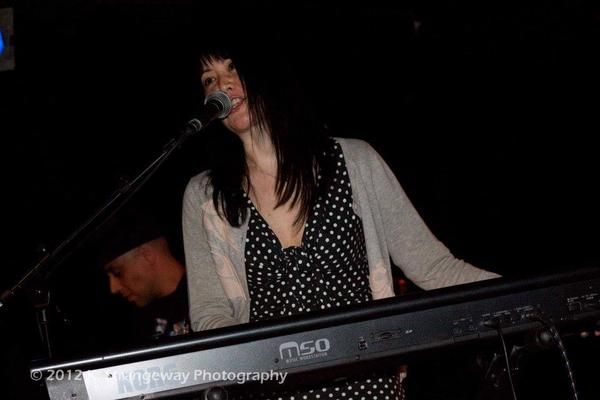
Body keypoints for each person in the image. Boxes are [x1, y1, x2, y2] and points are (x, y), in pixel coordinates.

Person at [181, 38, 500, 399]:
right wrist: (252, 368)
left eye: (232, 68)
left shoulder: (353, 161)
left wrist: (531, 296)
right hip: (270, 390)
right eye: (209, 79)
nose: (222, 84)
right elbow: (210, 314)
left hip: (367, 384)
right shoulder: (205, 197)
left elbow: (433, 266)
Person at [96, 207, 190, 340]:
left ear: (147, 255)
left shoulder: (204, 297)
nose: (113, 288)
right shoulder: (138, 321)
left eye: (117, 272)